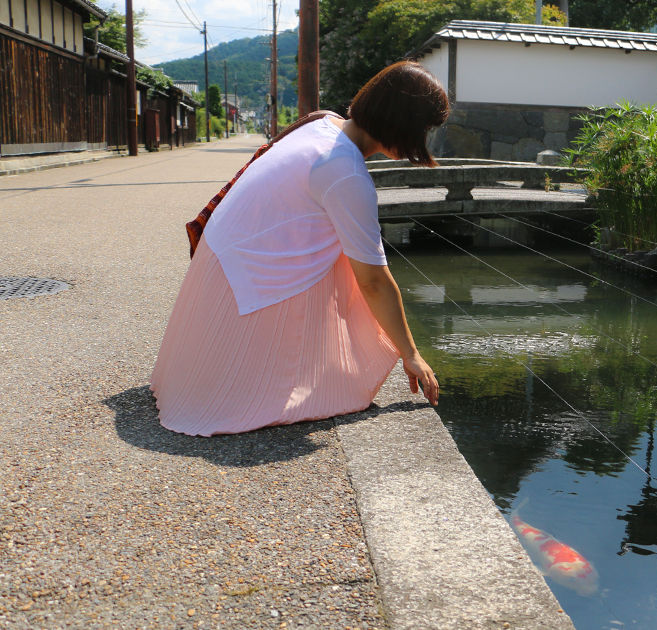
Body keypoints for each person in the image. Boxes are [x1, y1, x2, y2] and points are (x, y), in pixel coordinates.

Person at [150, 62, 446, 437]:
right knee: (355, 264)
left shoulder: (323, 126)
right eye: (425, 128)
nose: (425, 138)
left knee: (343, 251)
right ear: (404, 124)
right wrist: (412, 354)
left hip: (218, 272)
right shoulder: (346, 172)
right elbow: (374, 280)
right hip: (241, 292)